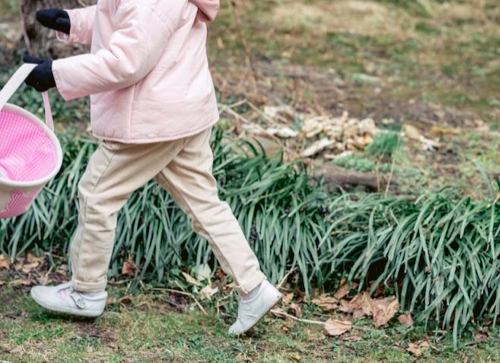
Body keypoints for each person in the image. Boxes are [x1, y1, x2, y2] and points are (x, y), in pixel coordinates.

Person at [24, 0, 281, 335]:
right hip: (183, 110)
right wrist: (74, 22)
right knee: (204, 203)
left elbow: (126, 60)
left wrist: (56, 74)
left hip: (151, 118)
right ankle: (255, 287)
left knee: (97, 193)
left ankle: (85, 291)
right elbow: (127, 18)